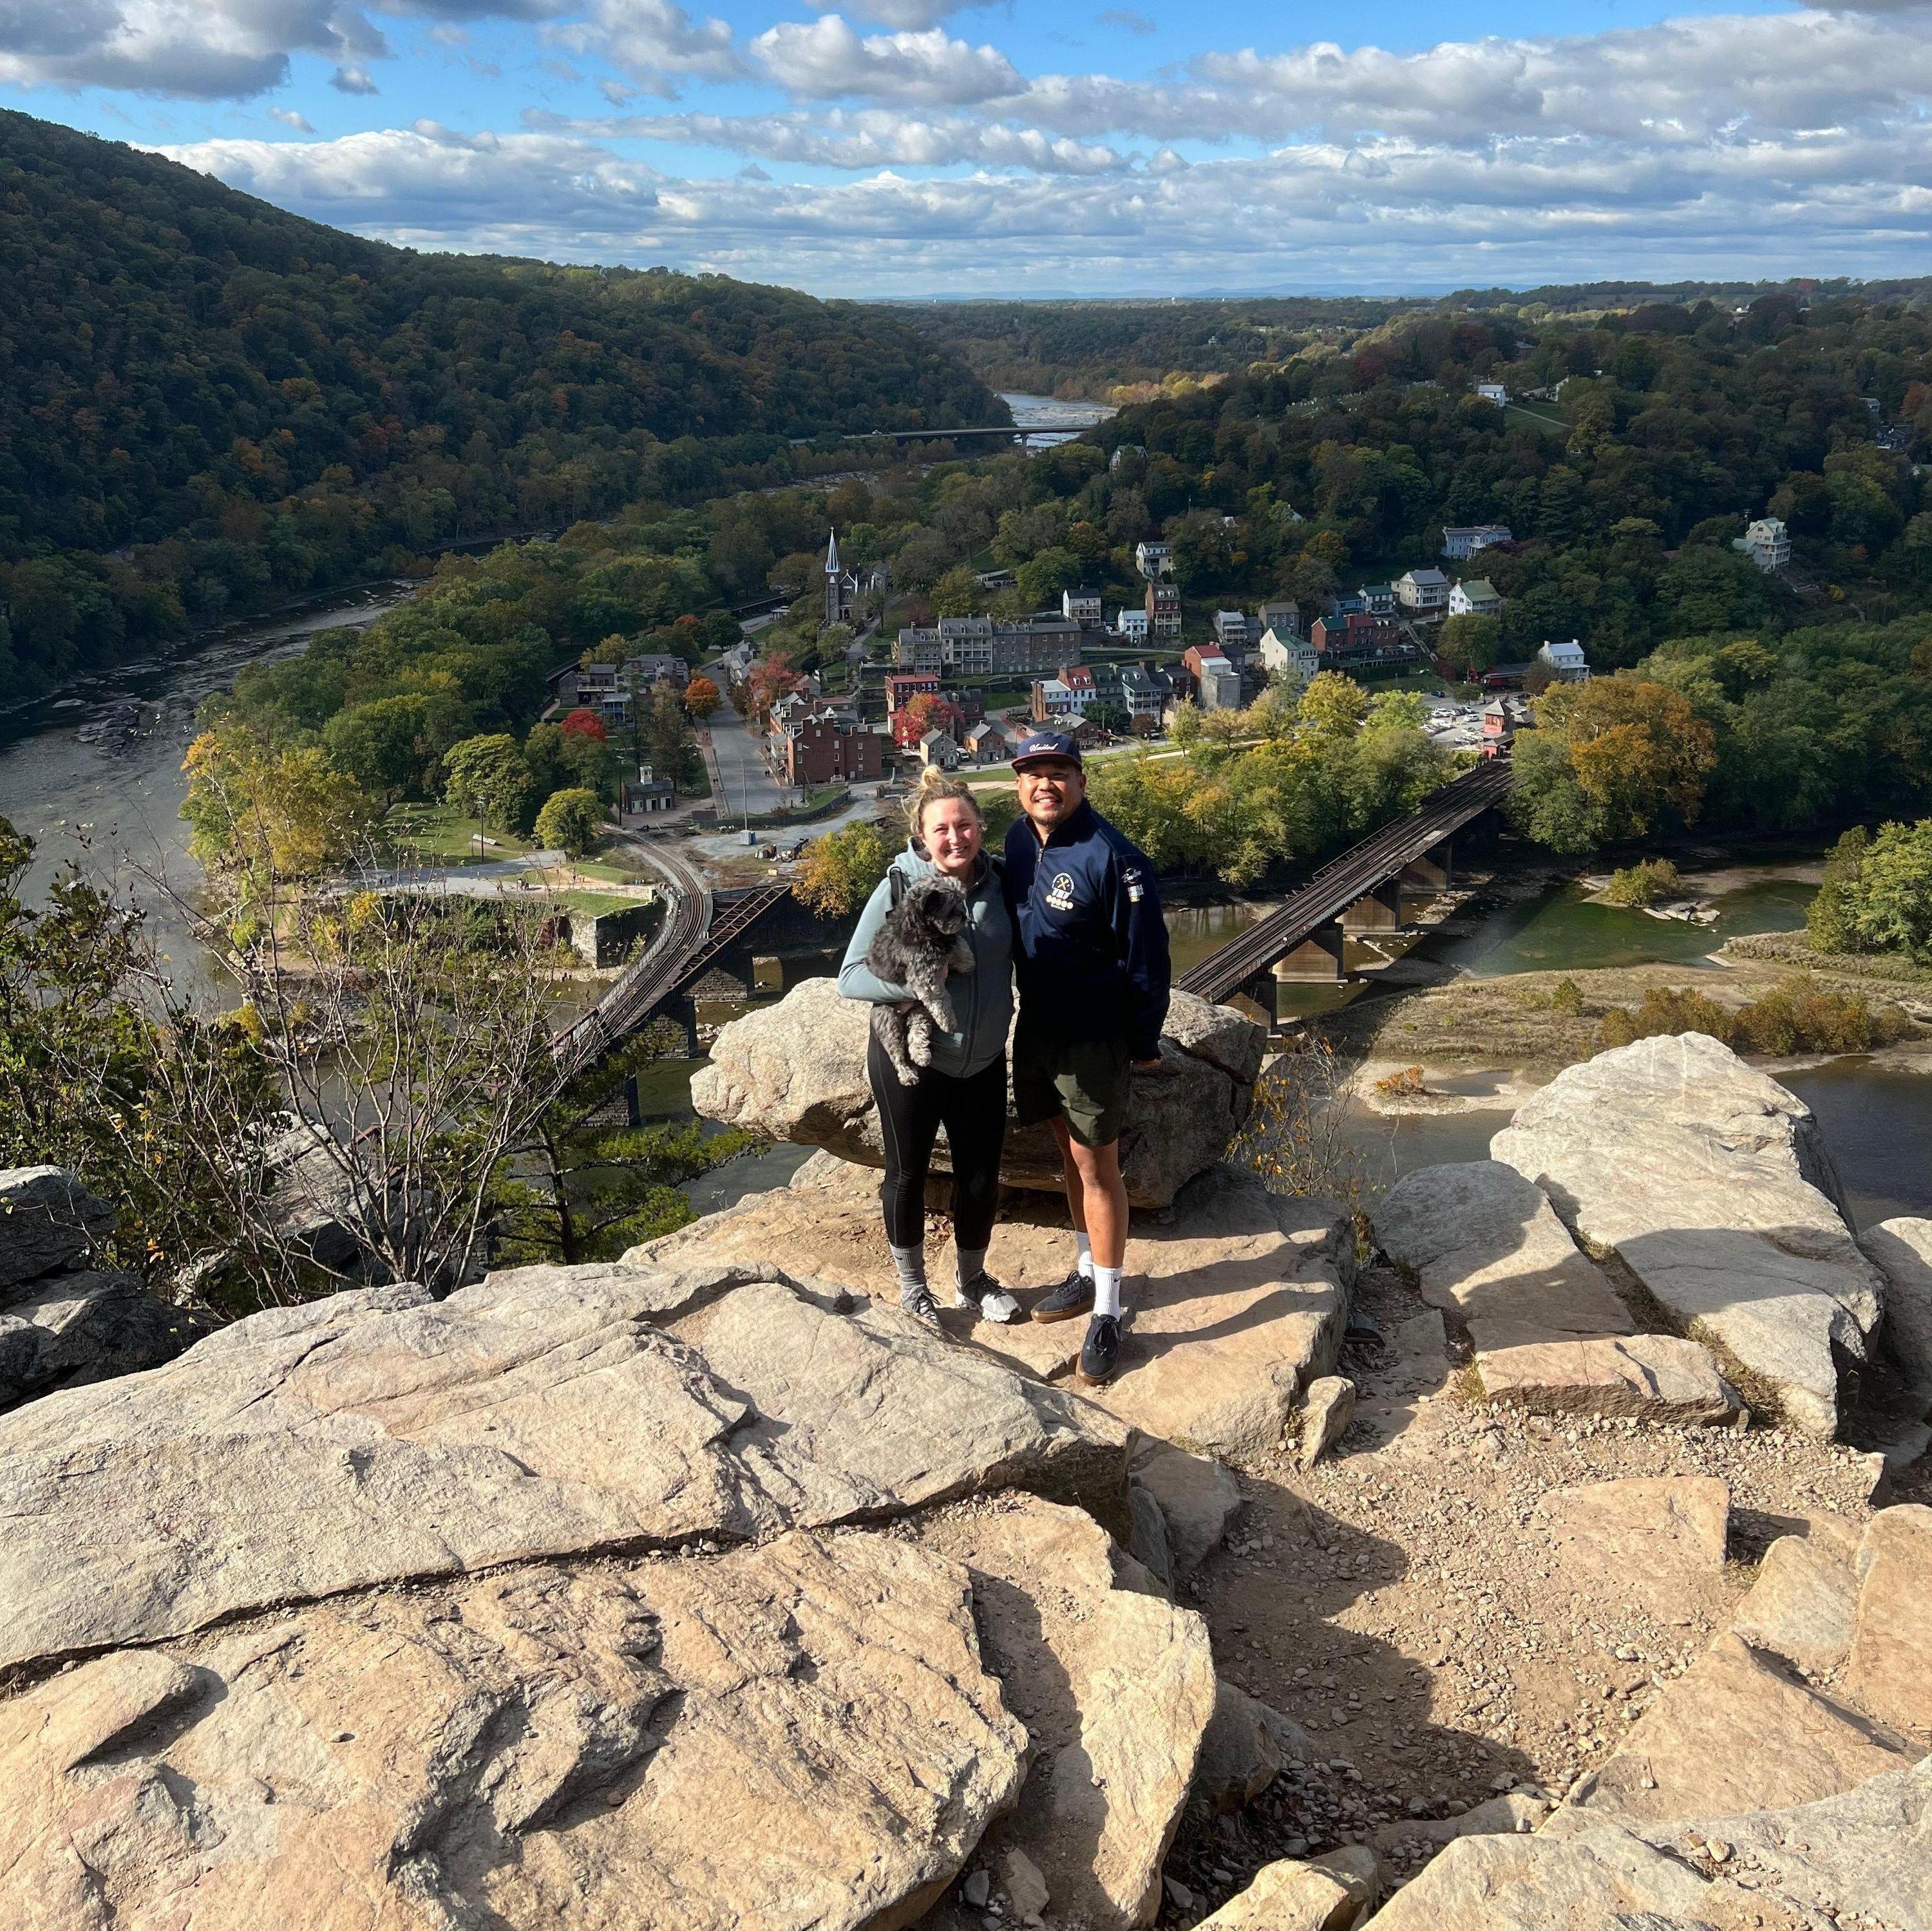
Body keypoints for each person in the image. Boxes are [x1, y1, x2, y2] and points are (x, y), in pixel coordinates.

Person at [1003, 730, 1170, 1386]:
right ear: (1020, 784)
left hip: (1093, 1037)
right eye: (1033, 773)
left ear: (1081, 780)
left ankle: (1108, 1308)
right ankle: (1084, 1267)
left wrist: (1145, 1037)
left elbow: (1146, 956)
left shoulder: (1114, 857)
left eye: (1059, 772)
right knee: (1064, 1152)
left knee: (1098, 1167)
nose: (1046, 784)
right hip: (1037, 1027)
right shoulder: (1018, 840)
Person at [838, 766, 1021, 1326]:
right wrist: (921, 983)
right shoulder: (899, 886)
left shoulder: (1004, 884)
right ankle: (914, 1286)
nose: (955, 838)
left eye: (964, 825)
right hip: (914, 1060)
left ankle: (972, 1280)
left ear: (981, 827)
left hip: (983, 1058)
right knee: (907, 1174)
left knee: (981, 1176)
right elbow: (850, 977)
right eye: (941, 828)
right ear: (923, 834)